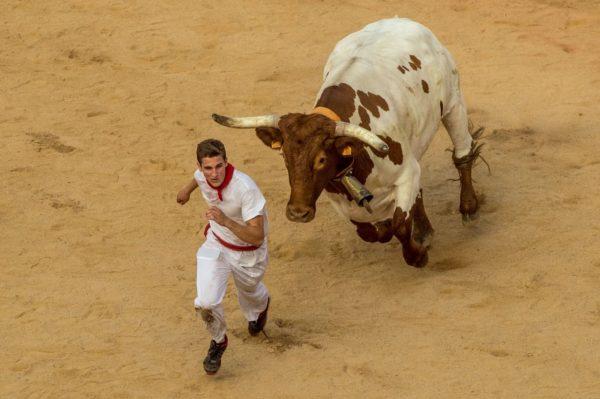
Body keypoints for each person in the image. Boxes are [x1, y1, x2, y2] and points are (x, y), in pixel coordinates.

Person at [177, 138, 270, 375]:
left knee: (250, 291)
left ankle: (261, 307)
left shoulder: (245, 189)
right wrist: (185, 191)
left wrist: (226, 221)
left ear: (227, 163)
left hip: (248, 253)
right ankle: (219, 341)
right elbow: (197, 180)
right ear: (200, 167)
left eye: (219, 166)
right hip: (216, 244)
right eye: (208, 168)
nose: (214, 174)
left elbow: (257, 236)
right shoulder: (202, 176)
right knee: (205, 303)